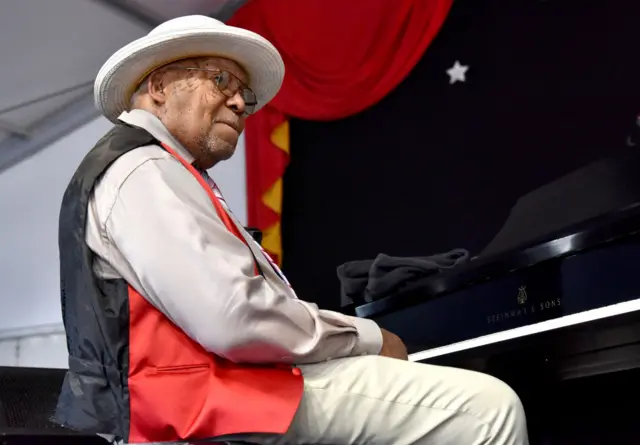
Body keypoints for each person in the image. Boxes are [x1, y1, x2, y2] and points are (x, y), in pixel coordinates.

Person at [55, 15, 529, 445]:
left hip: (202, 402)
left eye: (246, 93)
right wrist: (365, 337)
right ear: (159, 85)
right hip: (207, 408)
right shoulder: (144, 169)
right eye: (222, 80)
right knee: (487, 410)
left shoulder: (151, 169)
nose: (241, 102)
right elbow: (234, 318)